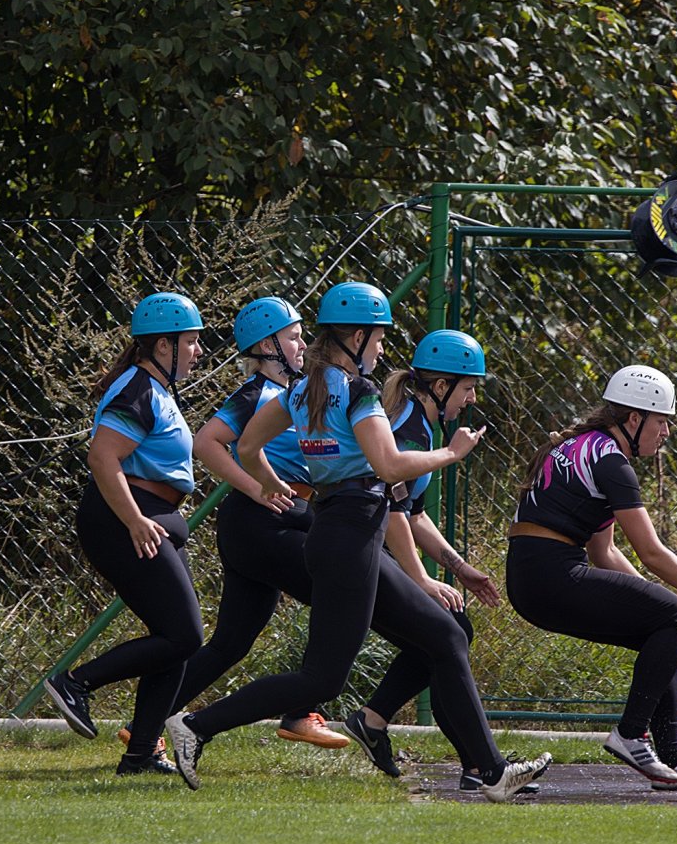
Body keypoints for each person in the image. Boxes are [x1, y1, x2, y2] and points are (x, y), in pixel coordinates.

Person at [164, 283, 551, 802]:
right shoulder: (357, 389)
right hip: (351, 532)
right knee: (322, 679)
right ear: (357, 336)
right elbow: (389, 466)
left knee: (445, 635)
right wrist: (452, 454)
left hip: (339, 528)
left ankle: (492, 772)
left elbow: (249, 445)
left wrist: (268, 484)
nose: (382, 349)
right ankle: (196, 726)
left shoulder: (303, 388)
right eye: (379, 338)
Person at [507, 364, 677, 791]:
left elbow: (604, 552)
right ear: (634, 418)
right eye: (661, 422)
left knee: (665, 624)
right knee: (675, 618)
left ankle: (675, 762)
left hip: (532, 578)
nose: (666, 433)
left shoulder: (584, 446)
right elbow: (651, 552)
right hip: (551, 574)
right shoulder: (611, 461)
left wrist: (660, 604)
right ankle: (631, 734)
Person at [129, 296, 348, 766]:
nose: (303, 344)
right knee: (342, 593)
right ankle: (300, 711)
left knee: (231, 642)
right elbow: (207, 442)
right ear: (267, 346)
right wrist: (256, 487)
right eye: (293, 337)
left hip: (275, 518)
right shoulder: (256, 394)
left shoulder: (297, 390)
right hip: (265, 519)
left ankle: (146, 724)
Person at [341, 329, 514, 791]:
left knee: (449, 632)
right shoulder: (412, 427)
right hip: (362, 552)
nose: (472, 399)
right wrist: (420, 579)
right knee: (447, 634)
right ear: (440, 386)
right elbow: (390, 507)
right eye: (468, 388)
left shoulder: (419, 421)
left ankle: (381, 723)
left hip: (372, 548)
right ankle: (482, 766)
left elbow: (414, 513)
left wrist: (459, 568)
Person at [43, 292, 206, 775]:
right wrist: (135, 520)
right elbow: (102, 456)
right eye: (191, 342)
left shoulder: (157, 389)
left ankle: (140, 754)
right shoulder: (137, 388)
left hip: (150, 517)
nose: (198, 351)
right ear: (163, 346)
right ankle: (76, 682)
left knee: (174, 639)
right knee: (185, 635)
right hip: (124, 519)